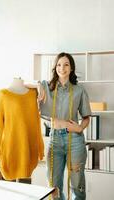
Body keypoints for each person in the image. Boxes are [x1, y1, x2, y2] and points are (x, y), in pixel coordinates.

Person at [38, 52, 91, 200]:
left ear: (71, 68)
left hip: (74, 141)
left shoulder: (79, 90)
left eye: (66, 64)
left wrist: (80, 128)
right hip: (55, 140)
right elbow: (26, 84)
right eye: (59, 64)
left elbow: (87, 117)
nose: (62, 68)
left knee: (77, 186)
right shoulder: (47, 88)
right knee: (53, 186)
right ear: (55, 67)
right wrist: (37, 86)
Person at [0, 77, 44, 183]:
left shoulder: (32, 95)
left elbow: (36, 124)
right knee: (11, 192)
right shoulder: (3, 95)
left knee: (26, 190)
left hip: (28, 150)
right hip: (9, 150)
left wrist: (40, 149)